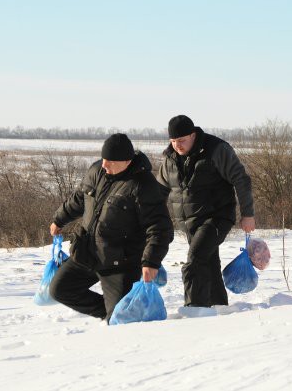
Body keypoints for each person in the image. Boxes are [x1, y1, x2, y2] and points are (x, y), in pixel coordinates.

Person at [49, 133, 173, 323]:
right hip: (87, 252)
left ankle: (118, 314)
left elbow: (159, 228)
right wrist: (59, 219)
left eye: (110, 161)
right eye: (104, 159)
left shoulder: (143, 185)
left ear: (127, 161)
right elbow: (79, 199)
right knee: (59, 289)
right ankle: (110, 313)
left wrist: (151, 262)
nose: (105, 165)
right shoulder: (97, 170)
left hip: (120, 263)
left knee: (122, 321)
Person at [157, 115, 255, 311]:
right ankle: (220, 308)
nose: (178, 145)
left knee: (195, 261)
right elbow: (158, 192)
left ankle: (194, 309)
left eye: (182, 140)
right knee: (209, 264)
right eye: (173, 141)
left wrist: (247, 214)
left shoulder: (216, 150)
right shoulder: (169, 159)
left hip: (217, 216)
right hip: (190, 222)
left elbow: (241, 179)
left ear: (193, 135)